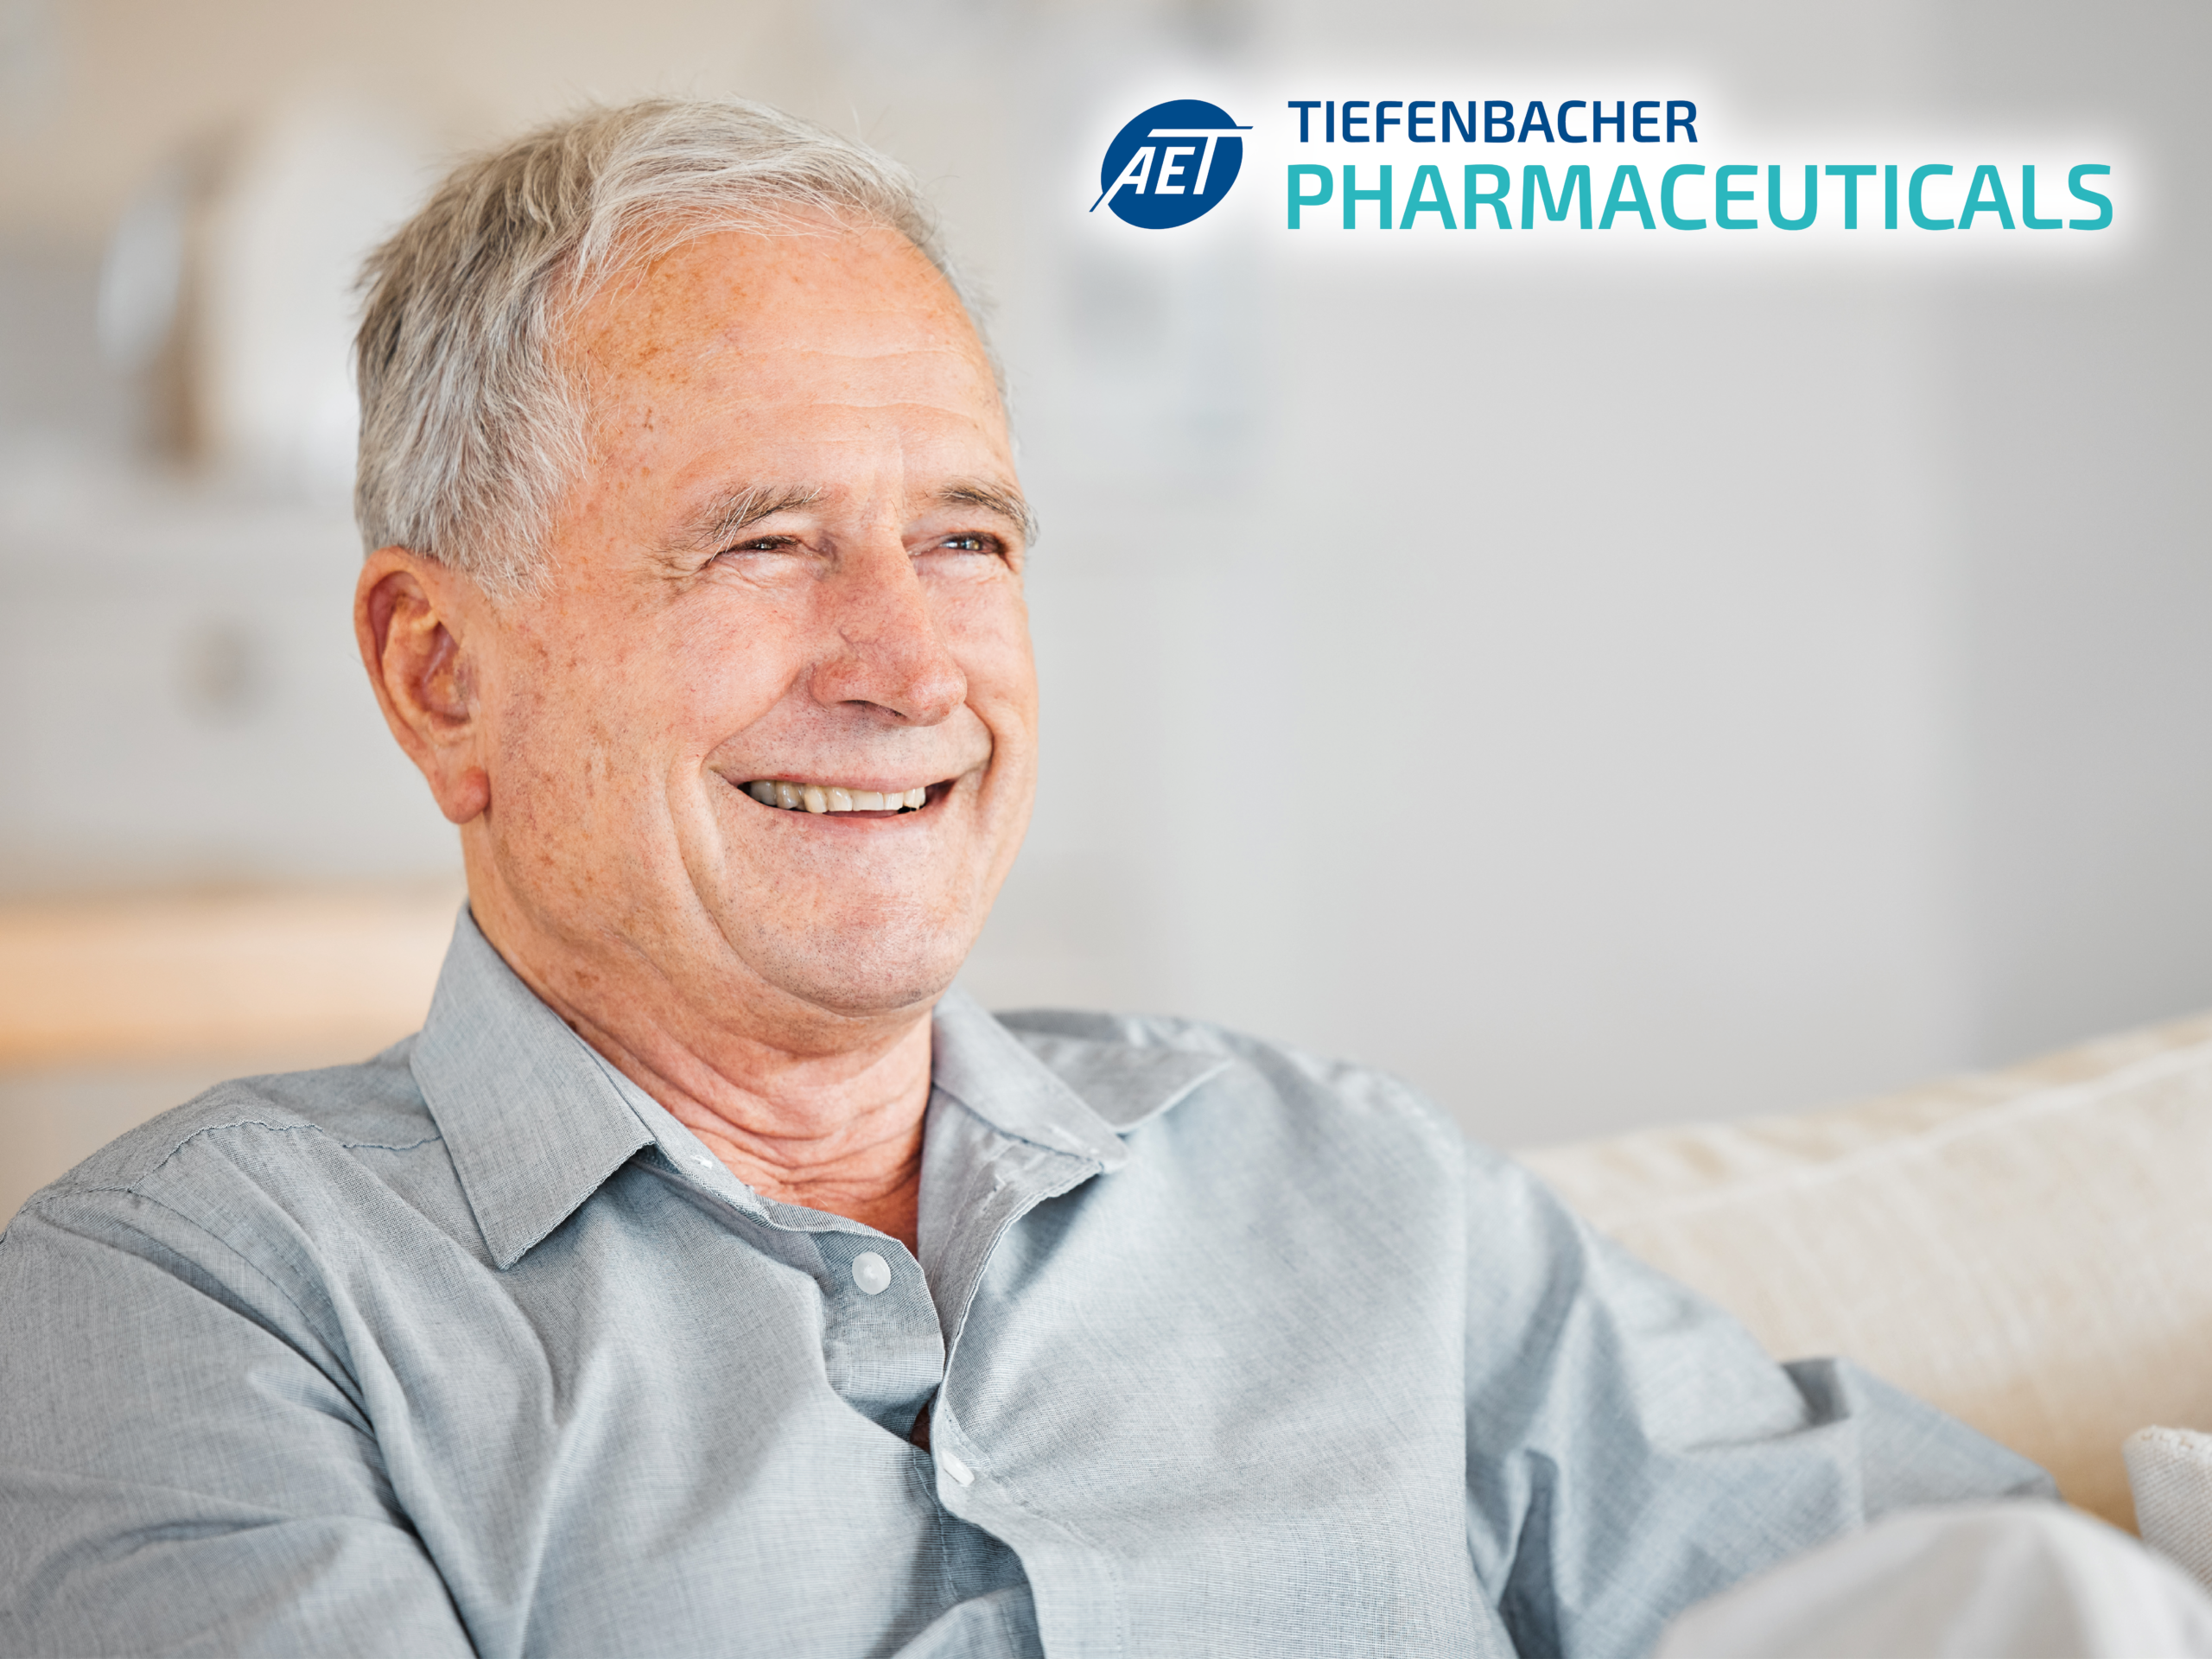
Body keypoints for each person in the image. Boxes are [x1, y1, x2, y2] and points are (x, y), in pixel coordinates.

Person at [0, 99, 2066, 1658]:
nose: (909, 669)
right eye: (764, 543)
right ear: (443, 678)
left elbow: (1987, 1596)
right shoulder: (191, 1309)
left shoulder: (1339, 1183)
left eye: (967, 541)